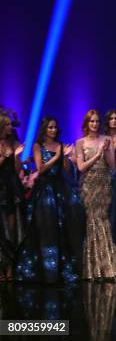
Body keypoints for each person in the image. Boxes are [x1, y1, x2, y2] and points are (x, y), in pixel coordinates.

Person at [15, 117, 84, 283]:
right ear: (45, 129)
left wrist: (66, 157)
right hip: (45, 189)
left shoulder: (61, 145)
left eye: (55, 127)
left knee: (63, 227)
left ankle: (61, 269)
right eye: (50, 127)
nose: (53, 130)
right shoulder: (38, 146)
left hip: (60, 188)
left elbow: (66, 170)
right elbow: (41, 169)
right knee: (47, 228)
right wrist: (56, 157)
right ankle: (47, 272)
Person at [75, 110, 116, 280]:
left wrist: (108, 149)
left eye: (96, 121)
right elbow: (81, 167)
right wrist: (97, 154)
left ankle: (107, 266)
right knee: (91, 222)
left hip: (104, 185)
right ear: (86, 124)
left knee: (102, 221)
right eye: (91, 121)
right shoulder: (80, 142)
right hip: (88, 185)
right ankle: (91, 268)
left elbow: (112, 166)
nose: (94, 124)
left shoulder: (106, 140)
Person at [0, 114, 24, 281]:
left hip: (11, 189)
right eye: (8, 124)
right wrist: (4, 157)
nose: (11, 127)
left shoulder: (13, 143)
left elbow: (16, 170)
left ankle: (10, 269)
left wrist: (15, 157)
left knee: (11, 230)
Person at [103, 109, 116, 247]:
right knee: (110, 211)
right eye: (111, 118)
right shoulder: (102, 138)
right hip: (106, 175)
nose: (114, 121)